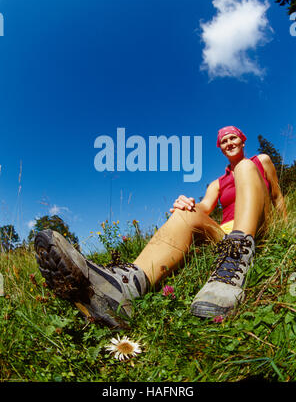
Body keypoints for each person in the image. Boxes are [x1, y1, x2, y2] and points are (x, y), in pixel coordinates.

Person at [34, 126, 286, 328]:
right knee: (184, 213)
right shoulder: (217, 183)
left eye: (233, 138)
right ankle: (126, 285)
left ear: (242, 140)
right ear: (220, 148)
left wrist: (286, 229)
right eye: (224, 141)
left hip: (257, 223)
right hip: (225, 233)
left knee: (243, 167)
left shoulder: (258, 161)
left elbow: (276, 196)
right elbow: (205, 208)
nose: (229, 143)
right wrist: (186, 204)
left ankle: (235, 260)